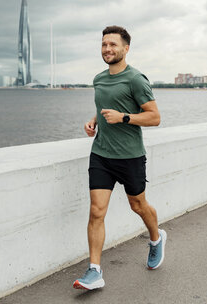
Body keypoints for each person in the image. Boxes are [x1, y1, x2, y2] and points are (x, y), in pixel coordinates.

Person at [73, 25, 166, 291]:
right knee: (96, 211)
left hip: (130, 157)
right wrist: (93, 121)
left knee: (138, 205)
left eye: (113, 45)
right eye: (104, 44)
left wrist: (124, 117)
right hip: (101, 154)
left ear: (126, 49)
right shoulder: (99, 79)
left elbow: (155, 117)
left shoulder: (136, 79)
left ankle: (156, 239)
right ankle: (94, 271)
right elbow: (102, 106)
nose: (107, 49)